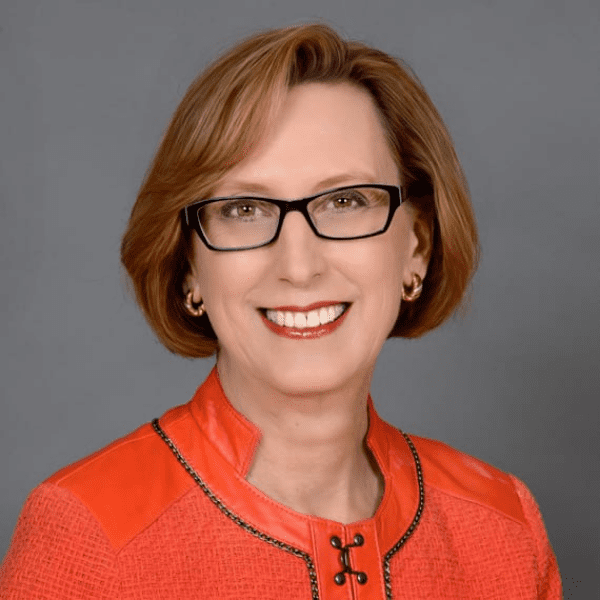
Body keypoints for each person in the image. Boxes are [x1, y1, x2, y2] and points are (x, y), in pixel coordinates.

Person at [0, 23, 561, 599]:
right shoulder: (89, 534)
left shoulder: (503, 528)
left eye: (346, 201)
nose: (298, 264)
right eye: (243, 208)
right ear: (189, 262)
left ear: (415, 246)